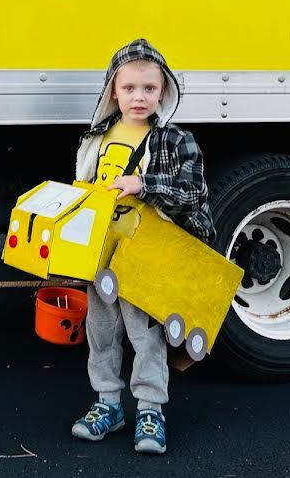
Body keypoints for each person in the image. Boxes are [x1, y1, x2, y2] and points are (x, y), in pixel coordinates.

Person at [69, 38, 215, 455]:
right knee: (101, 332)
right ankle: (108, 404)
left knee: (145, 334)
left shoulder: (174, 140)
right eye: (129, 88)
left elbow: (193, 192)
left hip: (145, 254)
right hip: (101, 252)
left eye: (149, 89)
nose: (139, 97)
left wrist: (143, 185)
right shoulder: (97, 135)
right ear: (113, 91)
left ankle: (151, 409)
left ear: (163, 92)